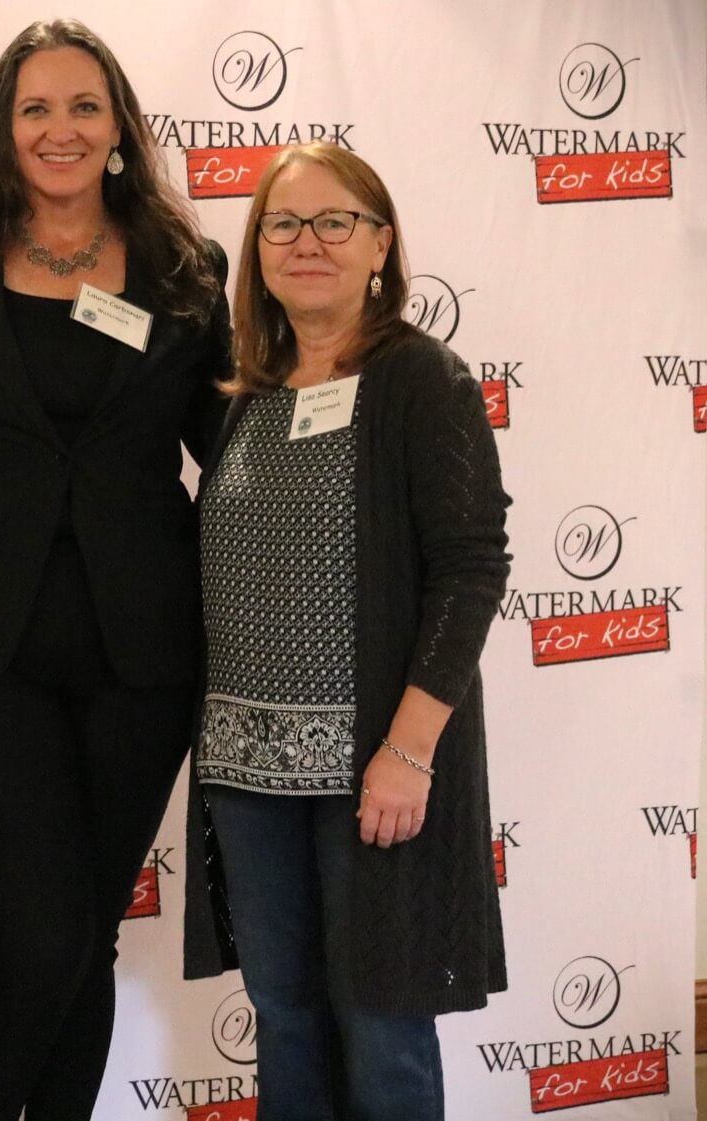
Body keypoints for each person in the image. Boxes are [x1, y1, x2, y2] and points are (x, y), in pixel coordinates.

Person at [0, 18, 230, 1121]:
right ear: (3, 128)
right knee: (39, 933)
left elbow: (233, 451)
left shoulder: (187, 273)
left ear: (119, 127)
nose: (59, 128)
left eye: (84, 106)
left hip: (143, 658)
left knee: (87, 933)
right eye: (35, 108)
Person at [183, 141, 511, 1121]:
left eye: (335, 221)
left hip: (372, 770)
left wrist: (408, 752)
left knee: (380, 1027)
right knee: (284, 1015)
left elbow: (470, 568)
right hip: (245, 774)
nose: (307, 242)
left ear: (380, 244)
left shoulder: (421, 380)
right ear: (258, 250)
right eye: (283, 224)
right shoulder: (245, 390)